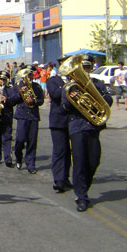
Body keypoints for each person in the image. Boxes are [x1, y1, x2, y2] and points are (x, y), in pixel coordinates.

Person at [61, 54, 113, 212]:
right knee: (80, 161)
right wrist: (73, 99)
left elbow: (108, 102)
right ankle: (81, 196)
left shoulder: (98, 84)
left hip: (93, 127)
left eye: (88, 67)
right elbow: (64, 107)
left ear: (92, 68)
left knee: (93, 160)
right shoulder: (70, 87)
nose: (85, 70)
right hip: (77, 127)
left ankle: (84, 187)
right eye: (83, 68)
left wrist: (96, 94)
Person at [10, 66, 44, 174]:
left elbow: (41, 100)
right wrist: (21, 93)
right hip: (22, 115)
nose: (29, 77)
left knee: (32, 141)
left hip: (33, 116)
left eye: (31, 74)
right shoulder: (17, 86)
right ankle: (18, 158)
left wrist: (34, 101)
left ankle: (31, 164)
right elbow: (12, 101)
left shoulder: (37, 87)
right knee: (20, 139)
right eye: (27, 74)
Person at [46, 62, 73, 192]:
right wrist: (69, 86)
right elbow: (55, 94)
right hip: (58, 121)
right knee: (59, 150)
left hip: (72, 120)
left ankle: (65, 177)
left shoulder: (74, 81)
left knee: (69, 152)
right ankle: (58, 179)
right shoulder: (52, 80)